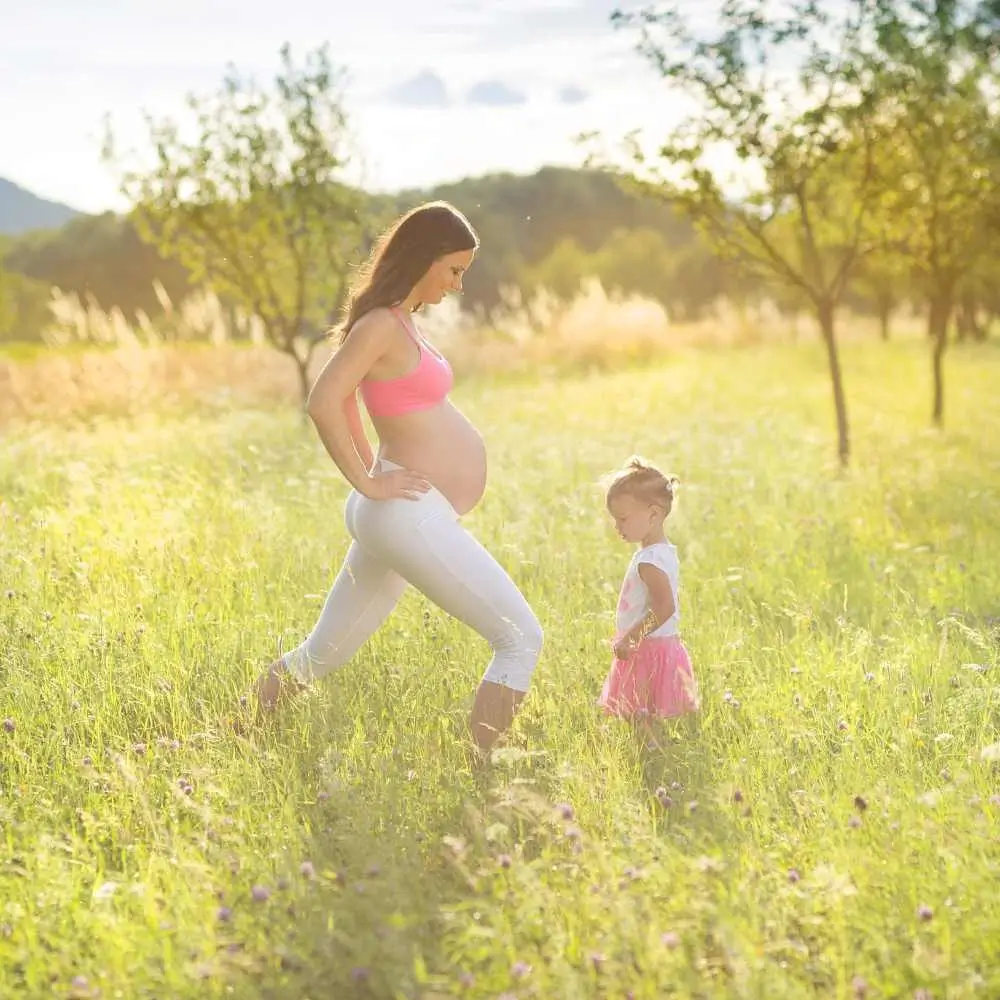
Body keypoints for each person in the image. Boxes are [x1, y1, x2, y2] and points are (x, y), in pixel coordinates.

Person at [255, 201, 543, 752]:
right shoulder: (382, 325)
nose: (458, 285)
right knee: (520, 638)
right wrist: (368, 482)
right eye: (454, 270)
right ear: (424, 257)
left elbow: (359, 405)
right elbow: (324, 401)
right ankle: (484, 775)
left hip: (401, 512)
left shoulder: (399, 320)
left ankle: (232, 736)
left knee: (319, 655)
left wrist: (374, 474)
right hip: (404, 514)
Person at [598, 456, 699, 722]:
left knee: (644, 717)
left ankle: (652, 752)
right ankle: (655, 750)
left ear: (653, 514)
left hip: (648, 650)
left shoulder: (649, 562)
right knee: (651, 717)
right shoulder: (662, 553)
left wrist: (632, 637)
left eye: (622, 519)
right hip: (658, 646)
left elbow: (664, 607)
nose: (617, 527)